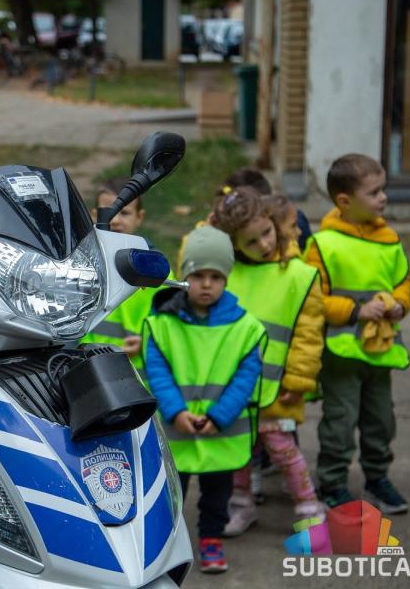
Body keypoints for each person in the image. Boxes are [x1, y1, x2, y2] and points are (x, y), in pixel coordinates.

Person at [143, 226, 266, 574]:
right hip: (176, 427)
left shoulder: (246, 328)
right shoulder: (160, 323)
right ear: (184, 278)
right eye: (198, 275)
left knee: (216, 493)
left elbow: (246, 377)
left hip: (220, 431)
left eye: (215, 276)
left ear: (226, 279)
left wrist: (220, 416)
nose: (207, 284)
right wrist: (175, 411)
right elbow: (158, 370)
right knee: (170, 495)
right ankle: (166, 546)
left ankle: (211, 538)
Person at [212, 188, 325, 537]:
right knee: (240, 450)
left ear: (275, 223)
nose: (263, 244)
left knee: (283, 450)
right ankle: (241, 504)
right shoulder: (227, 274)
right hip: (235, 387)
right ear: (234, 246)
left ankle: (309, 507)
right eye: (251, 242)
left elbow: (308, 336)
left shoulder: (299, 274)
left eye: (266, 233)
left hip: (278, 386)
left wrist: (298, 381)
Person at [304, 154, 410, 514]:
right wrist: (355, 311)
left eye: (383, 190)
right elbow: (314, 298)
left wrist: (400, 304)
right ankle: (332, 481)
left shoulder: (390, 239)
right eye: (375, 192)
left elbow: (402, 282)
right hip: (341, 352)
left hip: (380, 349)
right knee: (341, 419)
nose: (383, 198)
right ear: (345, 202)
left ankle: (377, 476)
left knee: (381, 418)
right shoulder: (323, 244)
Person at [81, 179, 153, 374]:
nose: (116, 220)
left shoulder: (156, 269)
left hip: (136, 372)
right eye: (109, 212)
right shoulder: (81, 265)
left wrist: (146, 342)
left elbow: (166, 321)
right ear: (94, 214)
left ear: (140, 217)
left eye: (125, 213)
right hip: (88, 365)